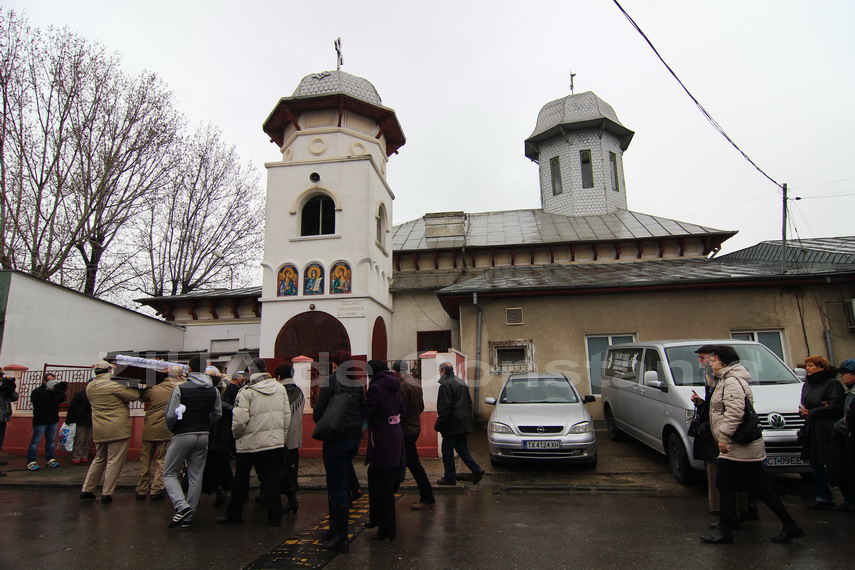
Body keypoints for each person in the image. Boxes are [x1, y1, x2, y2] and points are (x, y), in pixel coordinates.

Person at [699, 345, 803, 544]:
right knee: (761, 488)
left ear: (724, 362)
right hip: (744, 446)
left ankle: (724, 529)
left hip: (738, 445)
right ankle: (790, 525)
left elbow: (735, 413)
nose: (711, 363)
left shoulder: (732, 382)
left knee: (726, 485)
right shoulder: (728, 380)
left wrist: (723, 438)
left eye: (714, 360)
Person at [218, 358, 290, 527]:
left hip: (249, 444)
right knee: (272, 480)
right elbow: (287, 416)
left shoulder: (246, 391)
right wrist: (281, 437)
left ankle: (234, 514)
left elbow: (239, 420)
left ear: (250, 372)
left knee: (241, 480)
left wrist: (236, 436)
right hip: (273, 443)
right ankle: (275, 516)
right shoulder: (280, 388)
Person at [313, 350, 365, 553]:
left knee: (336, 485)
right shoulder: (358, 384)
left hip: (335, 438)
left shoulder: (330, 382)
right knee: (338, 481)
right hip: (353, 438)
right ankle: (334, 528)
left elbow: (318, 412)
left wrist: (327, 423)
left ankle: (342, 536)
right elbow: (363, 410)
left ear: (335, 365)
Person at [162, 355, 222, 528]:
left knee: (169, 473)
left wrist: (172, 427)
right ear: (204, 369)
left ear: (189, 368)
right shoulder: (213, 390)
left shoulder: (181, 389)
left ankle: (182, 506)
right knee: (196, 475)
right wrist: (205, 423)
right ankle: (189, 516)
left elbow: (171, 414)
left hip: (182, 433)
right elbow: (217, 414)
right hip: (203, 434)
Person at [80, 361, 142, 504]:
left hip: (99, 428)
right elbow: (134, 395)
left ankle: (87, 489)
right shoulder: (113, 385)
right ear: (108, 370)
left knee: (99, 458)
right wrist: (131, 382)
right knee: (114, 461)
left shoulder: (90, 386)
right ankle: (107, 493)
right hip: (117, 427)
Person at [799, 355, 852, 509]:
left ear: (821, 367)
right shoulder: (808, 384)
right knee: (815, 464)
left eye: (811, 365)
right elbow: (806, 403)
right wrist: (804, 411)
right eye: (807, 365)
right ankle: (823, 497)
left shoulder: (832, 384)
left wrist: (814, 411)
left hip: (828, 429)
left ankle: (849, 499)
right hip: (813, 428)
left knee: (834, 463)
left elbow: (835, 406)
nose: (807, 368)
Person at [364, 359, 405, 541]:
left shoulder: (376, 388)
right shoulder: (395, 386)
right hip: (395, 437)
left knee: (381, 486)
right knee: (384, 483)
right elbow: (402, 410)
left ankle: (386, 529)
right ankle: (380, 523)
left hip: (381, 440)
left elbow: (367, 412)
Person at [135, 366, 186, 501]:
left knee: (145, 460)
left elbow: (142, 397)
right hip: (166, 428)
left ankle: (141, 489)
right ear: (179, 376)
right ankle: (156, 490)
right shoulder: (180, 387)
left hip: (150, 427)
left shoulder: (154, 389)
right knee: (162, 460)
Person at [392, 360, 435, 510]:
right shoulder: (416, 383)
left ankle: (427, 496)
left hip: (405, 430)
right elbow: (421, 407)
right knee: (401, 462)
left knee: (412, 463)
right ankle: (390, 492)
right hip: (414, 428)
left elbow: (399, 410)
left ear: (396, 371)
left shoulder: (402, 386)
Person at [435, 362, 484, 486]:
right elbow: (469, 403)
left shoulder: (445, 385)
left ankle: (450, 478)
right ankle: (476, 469)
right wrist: (468, 420)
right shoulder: (461, 382)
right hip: (463, 422)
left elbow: (444, 408)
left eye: (440, 370)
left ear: (443, 371)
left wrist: (439, 424)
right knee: (462, 448)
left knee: (447, 450)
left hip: (451, 424)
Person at [204, 372, 240, 508]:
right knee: (222, 462)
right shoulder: (223, 395)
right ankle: (228, 488)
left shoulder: (215, 398)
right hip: (223, 435)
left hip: (214, 435)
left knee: (213, 463)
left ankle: (220, 488)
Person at [276, 363, 304, 514]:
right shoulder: (299, 391)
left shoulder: (278, 391)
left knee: (278, 469)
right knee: (292, 470)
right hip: (294, 437)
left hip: (279, 438)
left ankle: (287, 498)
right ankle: (292, 497)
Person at [27, 373, 67, 471]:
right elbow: (38, 402)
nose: (52, 383)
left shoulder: (54, 392)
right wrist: (49, 392)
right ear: (44, 381)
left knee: (51, 441)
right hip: (40, 421)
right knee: (35, 441)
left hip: (53, 420)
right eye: (50, 381)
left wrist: (58, 391)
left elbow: (62, 399)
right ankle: (31, 461)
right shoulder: (37, 391)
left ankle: (50, 459)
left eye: (54, 381)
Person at [835, 358, 855, 511]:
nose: (842, 377)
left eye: (845, 373)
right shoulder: (848, 391)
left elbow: (849, 418)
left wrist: (838, 424)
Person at [66, 379, 94, 464]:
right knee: (80, 439)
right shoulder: (79, 394)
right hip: (80, 420)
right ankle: (76, 456)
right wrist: (69, 419)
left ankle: (84, 455)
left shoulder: (95, 395)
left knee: (87, 440)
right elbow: (72, 407)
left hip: (90, 420)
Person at [0, 368, 19, 477]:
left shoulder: (5, 387)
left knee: (0, 442)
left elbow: (14, 398)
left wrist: (10, 388)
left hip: (3, 417)